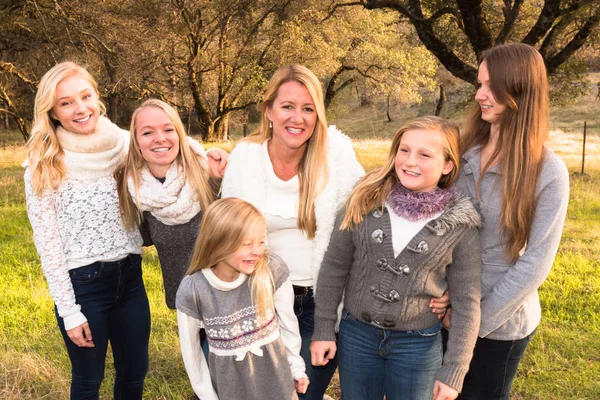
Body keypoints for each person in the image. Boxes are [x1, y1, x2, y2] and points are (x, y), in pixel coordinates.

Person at [311, 116, 482, 400]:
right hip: (357, 337)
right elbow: (334, 267)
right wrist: (324, 328)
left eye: (425, 154)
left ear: (448, 165)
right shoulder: (365, 198)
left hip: (417, 346)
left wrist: (454, 369)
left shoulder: (459, 224)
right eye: (405, 150)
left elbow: (467, 301)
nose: (410, 161)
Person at [221, 64, 365, 399]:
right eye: (287, 106)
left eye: (308, 108)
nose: (297, 118)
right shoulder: (245, 158)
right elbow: (225, 234)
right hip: (259, 301)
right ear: (269, 110)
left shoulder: (337, 156)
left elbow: (370, 215)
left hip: (322, 304)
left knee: (302, 394)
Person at [24, 61, 150, 399]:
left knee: (135, 373)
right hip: (84, 286)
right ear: (52, 112)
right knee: (88, 379)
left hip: (131, 279)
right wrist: (69, 310)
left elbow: (172, 149)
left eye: (86, 96)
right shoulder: (45, 162)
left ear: (97, 97)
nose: (80, 109)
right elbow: (47, 244)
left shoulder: (125, 145)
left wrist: (210, 156)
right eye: (66, 103)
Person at [452, 43, 570, 399]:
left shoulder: (548, 172)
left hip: (496, 327)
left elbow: (535, 263)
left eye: (490, 86)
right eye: (479, 84)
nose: (480, 95)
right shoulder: (462, 150)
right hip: (444, 311)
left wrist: (474, 325)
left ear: (518, 89)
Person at [176, 198, 310, 399]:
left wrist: (296, 368)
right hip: (231, 391)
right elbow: (192, 355)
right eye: (247, 244)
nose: (257, 251)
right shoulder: (194, 291)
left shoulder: (271, 269)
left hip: (278, 386)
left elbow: (288, 325)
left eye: (261, 242)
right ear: (217, 242)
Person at [115, 98, 227, 310]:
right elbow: (141, 238)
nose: (160, 139)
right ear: (137, 142)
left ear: (179, 135)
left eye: (168, 129)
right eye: (147, 133)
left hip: (227, 299)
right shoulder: (135, 190)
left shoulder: (209, 173)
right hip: (185, 303)